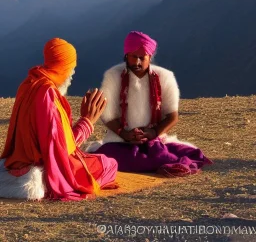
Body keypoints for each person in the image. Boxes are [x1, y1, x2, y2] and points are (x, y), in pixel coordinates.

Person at [0, 38, 118, 201]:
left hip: (18, 162)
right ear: (64, 67)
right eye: (72, 68)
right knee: (108, 164)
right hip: (46, 167)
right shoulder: (47, 94)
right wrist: (87, 121)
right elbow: (59, 150)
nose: (73, 73)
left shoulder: (28, 84)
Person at [90, 31, 212, 176]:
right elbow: (107, 115)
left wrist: (153, 132)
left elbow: (172, 116)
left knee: (179, 154)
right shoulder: (113, 75)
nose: (137, 62)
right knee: (106, 154)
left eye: (142, 58)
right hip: (121, 141)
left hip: (156, 140)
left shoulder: (165, 77)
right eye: (133, 57)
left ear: (150, 57)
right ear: (126, 56)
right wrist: (125, 134)